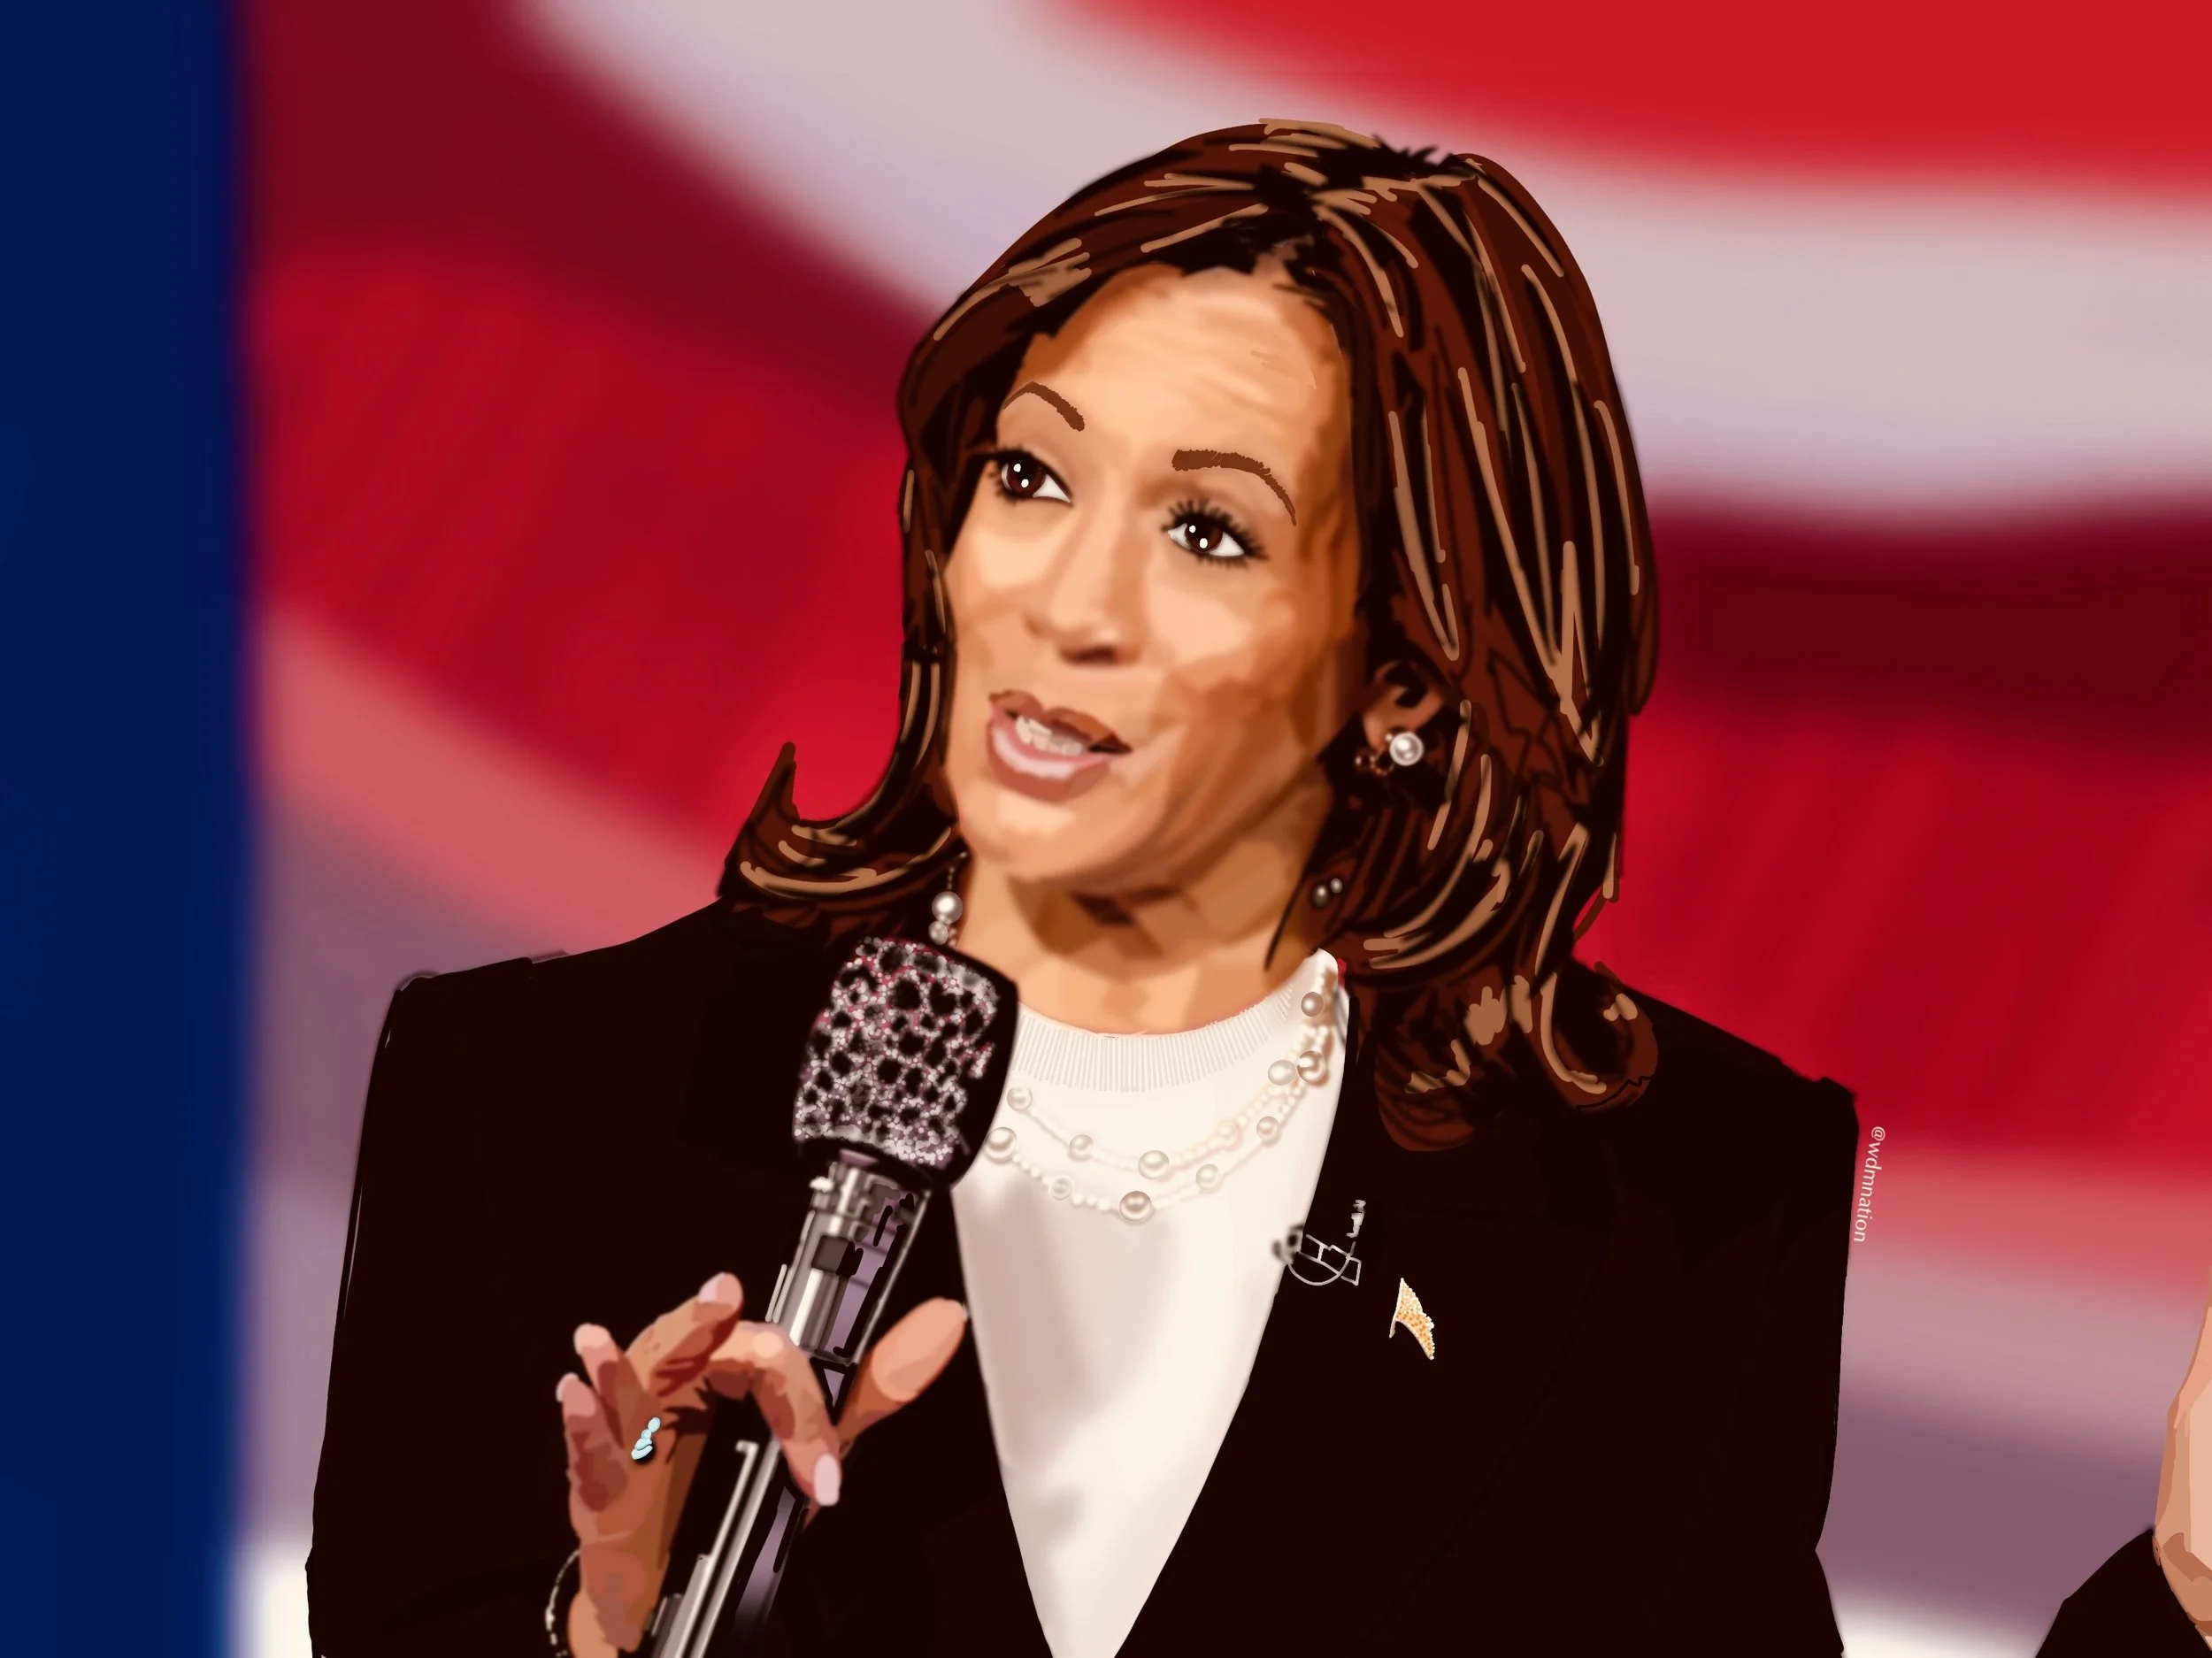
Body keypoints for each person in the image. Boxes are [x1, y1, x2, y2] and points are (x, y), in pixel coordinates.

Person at [305, 121, 2212, 1656]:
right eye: (1031, 480)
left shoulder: (1681, 1204)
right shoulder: (531, 1099)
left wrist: (2184, 1607)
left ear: (1403, 670)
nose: (1066, 601)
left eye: (1205, 529)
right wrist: (610, 1624)